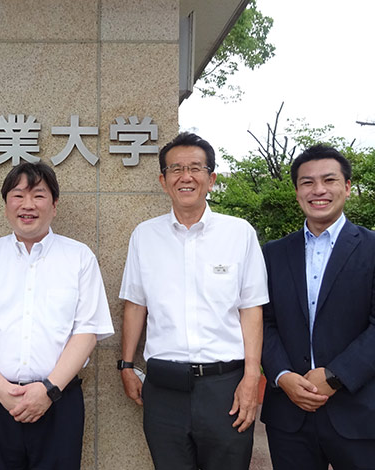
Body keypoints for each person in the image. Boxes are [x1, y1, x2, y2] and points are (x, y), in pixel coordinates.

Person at [0, 161, 114, 470]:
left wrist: (48, 390)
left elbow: (87, 332)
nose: (28, 205)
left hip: (60, 401)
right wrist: (2, 392)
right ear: (6, 205)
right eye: (18, 195)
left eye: (38, 195)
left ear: (54, 204)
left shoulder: (79, 258)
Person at [118, 132, 269, 470]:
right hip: (164, 387)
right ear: (163, 181)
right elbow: (136, 305)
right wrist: (126, 365)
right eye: (176, 169)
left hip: (225, 386)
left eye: (195, 168)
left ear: (211, 179)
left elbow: (251, 309)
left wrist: (251, 378)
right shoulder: (145, 235)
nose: (185, 177)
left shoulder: (239, 233)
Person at [261, 145, 375, 469]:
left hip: (359, 412)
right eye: (307, 182)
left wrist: (336, 376)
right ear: (297, 191)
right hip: (289, 415)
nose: (318, 190)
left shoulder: (371, 248)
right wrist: (282, 375)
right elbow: (263, 322)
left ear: (347, 187)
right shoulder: (273, 253)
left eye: (329, 180)